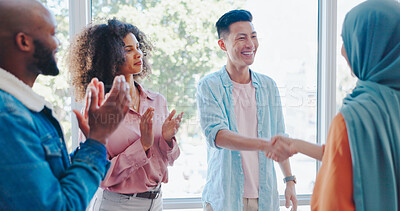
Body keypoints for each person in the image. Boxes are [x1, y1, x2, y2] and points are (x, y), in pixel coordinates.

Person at [0, 0, 131, 210]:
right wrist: (99, 139)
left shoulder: (19, 108)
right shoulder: (7, 116)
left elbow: (50, 181)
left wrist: (91, 144)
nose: (58, 43)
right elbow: (58, 207)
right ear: (24, 41)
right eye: (52, 33)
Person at [270, 1, 400, 210]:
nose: (341, 51)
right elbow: (359, 157)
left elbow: (333, 202)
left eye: (348, 40)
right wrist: (297, 145)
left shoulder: (356, 117)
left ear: (371, 45)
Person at [67, 18, 183, 211]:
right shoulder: (98, 110)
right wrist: (142, 146)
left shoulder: (158, 101)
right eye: (128, 50)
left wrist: (167, 140)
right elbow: (99, 174)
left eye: (138, 47)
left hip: (157, 201)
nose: (138, 53)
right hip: (118, 205)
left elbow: (170, 160)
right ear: (109, 57)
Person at [196, 9, 297, 211]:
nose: (250, 44)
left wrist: (289, 180)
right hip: (226, 196)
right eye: (241, 38)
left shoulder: (269, 85)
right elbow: (218, 136)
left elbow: (280, 136)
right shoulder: (209, 85)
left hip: (265, 197)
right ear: (222, 44)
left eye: (253, 36)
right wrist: (263, 144)